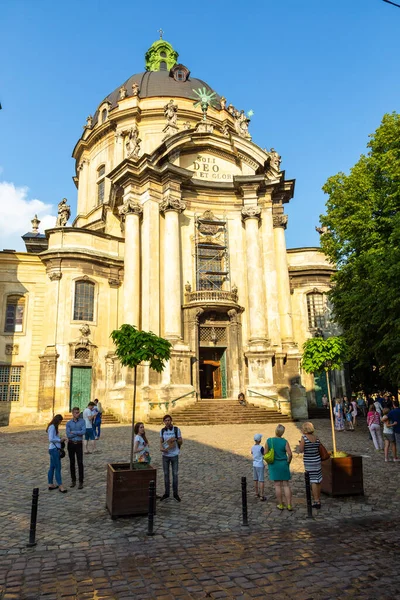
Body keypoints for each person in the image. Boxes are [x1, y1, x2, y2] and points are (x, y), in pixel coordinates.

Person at [266, 424, 293, 511]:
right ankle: (289, 505)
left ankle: (280, 504)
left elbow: (265, 453)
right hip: (283, 464)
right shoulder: (285, 441)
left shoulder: (269, 441)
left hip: (274, 464)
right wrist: (288, 462)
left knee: (277, 485)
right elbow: (290, 454)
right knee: (286, 485)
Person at [299, 422, 322, 509]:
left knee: (313, 481)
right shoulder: (316, 437)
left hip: (309, 461)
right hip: (317, 460)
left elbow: (301, 450)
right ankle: (318, 498)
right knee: (318, 479)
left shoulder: (304, 438)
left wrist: (300, 444)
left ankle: (316, 501)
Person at [160, 415, 182, 502]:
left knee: (175, 474)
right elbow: (161, 442)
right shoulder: (162, 431)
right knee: (166, 474)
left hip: (174, 455)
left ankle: (175, 493)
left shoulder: (176, 430)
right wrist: (161, 448)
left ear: (171, 421)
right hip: (165, 456)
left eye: (169, 420)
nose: (167, 422)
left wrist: (175, 439)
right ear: (164, 422)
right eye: (165, 420)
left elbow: (181, 441)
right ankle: (166, 493)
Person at [46, 414, 67, 493]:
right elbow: (51, 439)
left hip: (53, 449)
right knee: (58, 467)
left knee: (52, 467)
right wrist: (60, 440)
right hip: (54, 450)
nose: (60, 423)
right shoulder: (52, 427)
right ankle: (60, 486)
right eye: (60, 421)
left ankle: (50, 484)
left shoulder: (52, 427)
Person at [66, 407, 86, 489]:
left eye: (78, 412)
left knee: (80, 462)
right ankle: (73, 480)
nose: (77, 414)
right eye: (76, 413)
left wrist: (73, 432)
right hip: (70, 444)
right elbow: (68, 435)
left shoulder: (82, 421)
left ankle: (81, 481)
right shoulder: (69, 423)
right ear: (73, 413)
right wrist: (78, 433)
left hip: (78, 444)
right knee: (72, 463)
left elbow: (84, 432)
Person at [251, 434, 266, 501]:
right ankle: (262, 495)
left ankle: (256, 493)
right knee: (261, 480)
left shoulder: (253, 447)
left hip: (254, 464)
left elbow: (252, 452)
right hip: (260, 464)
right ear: (260, 440)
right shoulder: (261, 448)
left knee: (255, 479)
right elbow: (264, 453)